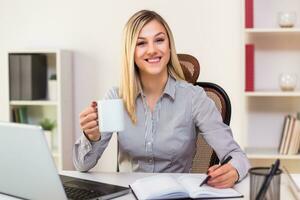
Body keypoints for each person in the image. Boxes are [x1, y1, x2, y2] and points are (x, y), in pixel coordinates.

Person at [74, 10, 250, 189]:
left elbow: (237, 156)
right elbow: (82, 165)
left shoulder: (194, 98)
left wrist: (233, 171)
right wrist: (91, 137)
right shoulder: (116, 98)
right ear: (130, 52)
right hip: (130, 194)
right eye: (141, 43)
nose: (152, 50)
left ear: (169, 46)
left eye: (159, 40)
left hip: (177, 194)